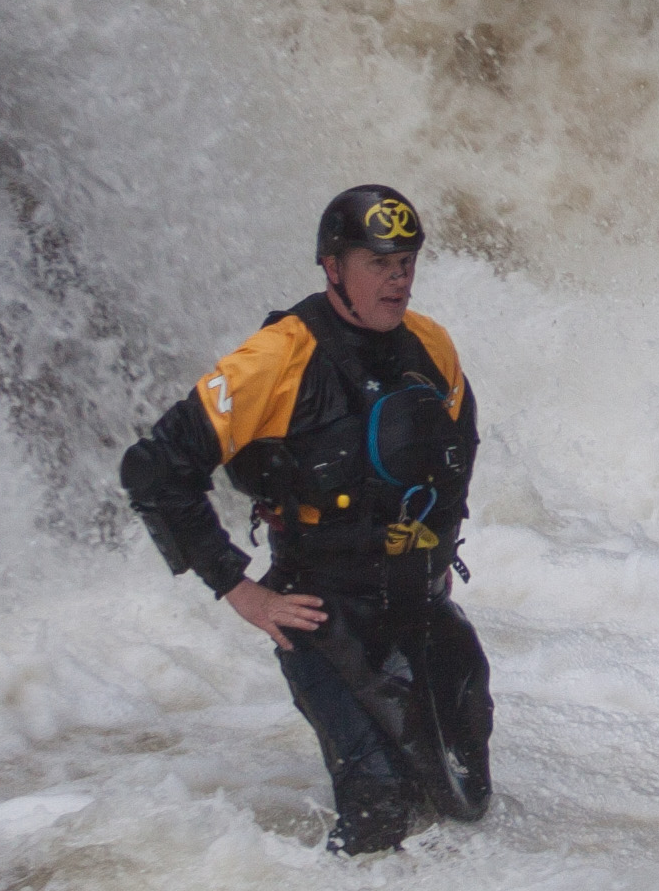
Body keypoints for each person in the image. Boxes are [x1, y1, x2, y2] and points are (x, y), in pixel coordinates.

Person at [121, 185, 493, 852]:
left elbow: (455, 457)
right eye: (378, 263)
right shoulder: (276, 358)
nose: (398, 279)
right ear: (332, 267)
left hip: (418, 605)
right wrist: (240, 590)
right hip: (324, 613)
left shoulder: (431, 344)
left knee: (458, 807)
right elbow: (153, 468)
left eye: (406, 262)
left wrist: (435, 560)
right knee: (380, 808)